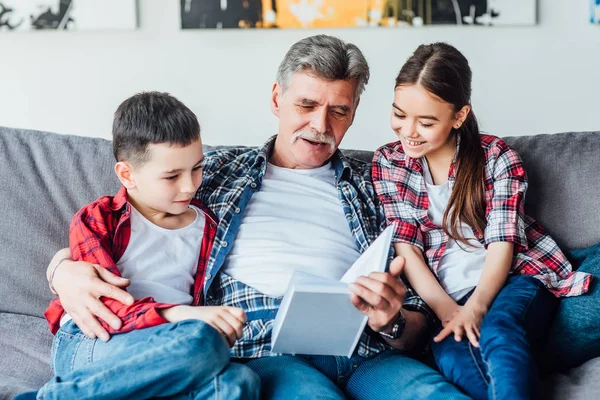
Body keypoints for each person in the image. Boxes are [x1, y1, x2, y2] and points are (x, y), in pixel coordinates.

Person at [46, 35, 471, 399]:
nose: (319, 124)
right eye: (306, 104)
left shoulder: (382, 181)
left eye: (339, 111)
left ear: (354, 112)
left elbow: (416, 317)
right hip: (266, 347)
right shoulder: (212, 173)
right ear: (276, 99)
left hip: (365, 349)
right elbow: (134, 213)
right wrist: (62, 269)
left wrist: (392, 321)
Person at [371, 42, 593, 400]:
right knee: (455, 359)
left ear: (458, 116)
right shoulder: (388, 163)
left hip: (511, 279)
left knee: (498, 330)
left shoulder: (495, 156)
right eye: (399, 114)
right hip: (447, 297)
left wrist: (477, 308)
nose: (407, 130)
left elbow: (502, 241)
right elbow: (406, 248)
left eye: (426, 122)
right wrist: (449, 312)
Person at [18, 92, 260, 400]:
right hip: (96, 338)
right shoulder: (100, 219)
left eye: (197, 168)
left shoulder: (210, 227)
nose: (190, 185)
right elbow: (105, 308)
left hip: (170, 351)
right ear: (127, 174)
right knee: (203, 341)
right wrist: (181, 315)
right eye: (171, 176)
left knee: (240, 381)